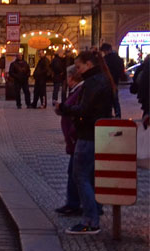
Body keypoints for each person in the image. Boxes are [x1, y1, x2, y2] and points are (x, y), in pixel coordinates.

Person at [55, 50, 114, 234]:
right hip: (97, 133)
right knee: (90, 176)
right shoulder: (103, 79)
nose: (78, 71)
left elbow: (84, 110)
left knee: (80, 176)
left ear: (89, 64)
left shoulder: (93, 82)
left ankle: (90, 221)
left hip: (88, 135)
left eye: (79, 66)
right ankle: (94, 212)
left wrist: (64, 108)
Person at [54, 65, 85, 216]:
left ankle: (77, 205)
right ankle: (74, 203)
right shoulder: (77, 90)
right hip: (75, 139)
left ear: (71, 78)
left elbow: (76, 111)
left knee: (77, 173)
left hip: (77, 139)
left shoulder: (80, 91)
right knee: (74, 172)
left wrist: (72, 135)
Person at [99, 43, 126, 118]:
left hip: (107, 82)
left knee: (108, 100)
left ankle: (109, 115)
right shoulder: (118, 59)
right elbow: (121, 71)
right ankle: (118, 115)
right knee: (115, 100)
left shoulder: (105, 59)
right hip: (115, 82)